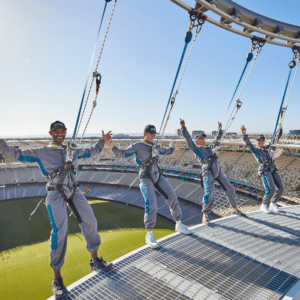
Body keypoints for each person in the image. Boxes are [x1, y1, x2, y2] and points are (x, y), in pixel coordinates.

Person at [0, 121, 113, 300]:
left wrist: (102, 141)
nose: (60, 133)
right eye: (56, 131)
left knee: (90, 221)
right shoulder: (41, 152)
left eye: (62, 131)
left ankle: (95, 259)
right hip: (55, 192)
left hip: (73, 189)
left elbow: (91, 151)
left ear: (65, 133)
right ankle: (57, 278)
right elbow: (17, 154)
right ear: (51, 133)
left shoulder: (72, 149)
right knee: (60, 232)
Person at [106, 124, 191, 248]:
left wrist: (173, 149)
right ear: (145, 133)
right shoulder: (138, 146)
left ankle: (178, 223)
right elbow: (122, 154)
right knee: (151, 204)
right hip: (146, 177)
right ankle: (149, 234)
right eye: (150, 134)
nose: (153, 136)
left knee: (173, 197)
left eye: (154, 134)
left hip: (157, 175)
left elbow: (164, 151)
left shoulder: (155, 145)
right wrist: (112, 146)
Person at [180, 119, 245, 226]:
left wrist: (219, 130)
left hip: (217, 170)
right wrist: (183, 128)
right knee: (209, 193)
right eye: (200, 138)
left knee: (230, 188)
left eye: (203, 138)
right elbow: (188, 140)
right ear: (197, 141)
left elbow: (217, 139)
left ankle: (235, 208)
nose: (203, 139)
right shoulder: (196, 149)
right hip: (207, 172)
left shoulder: (210, 147)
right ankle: (205, 216)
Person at [241, 125, 284, 213]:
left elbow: (275, 139)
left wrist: (280, 128)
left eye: (262, 140)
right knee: (271, 189)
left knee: (281, 188)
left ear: (264, 141)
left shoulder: (268, 148)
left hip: (272, 167)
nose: (261, 142)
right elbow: (248, 143)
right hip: (264, 169)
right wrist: (244, 134)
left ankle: (273, 203)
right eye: (259, 141)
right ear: (257, 142)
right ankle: (264, 205)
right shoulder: (256, 150)